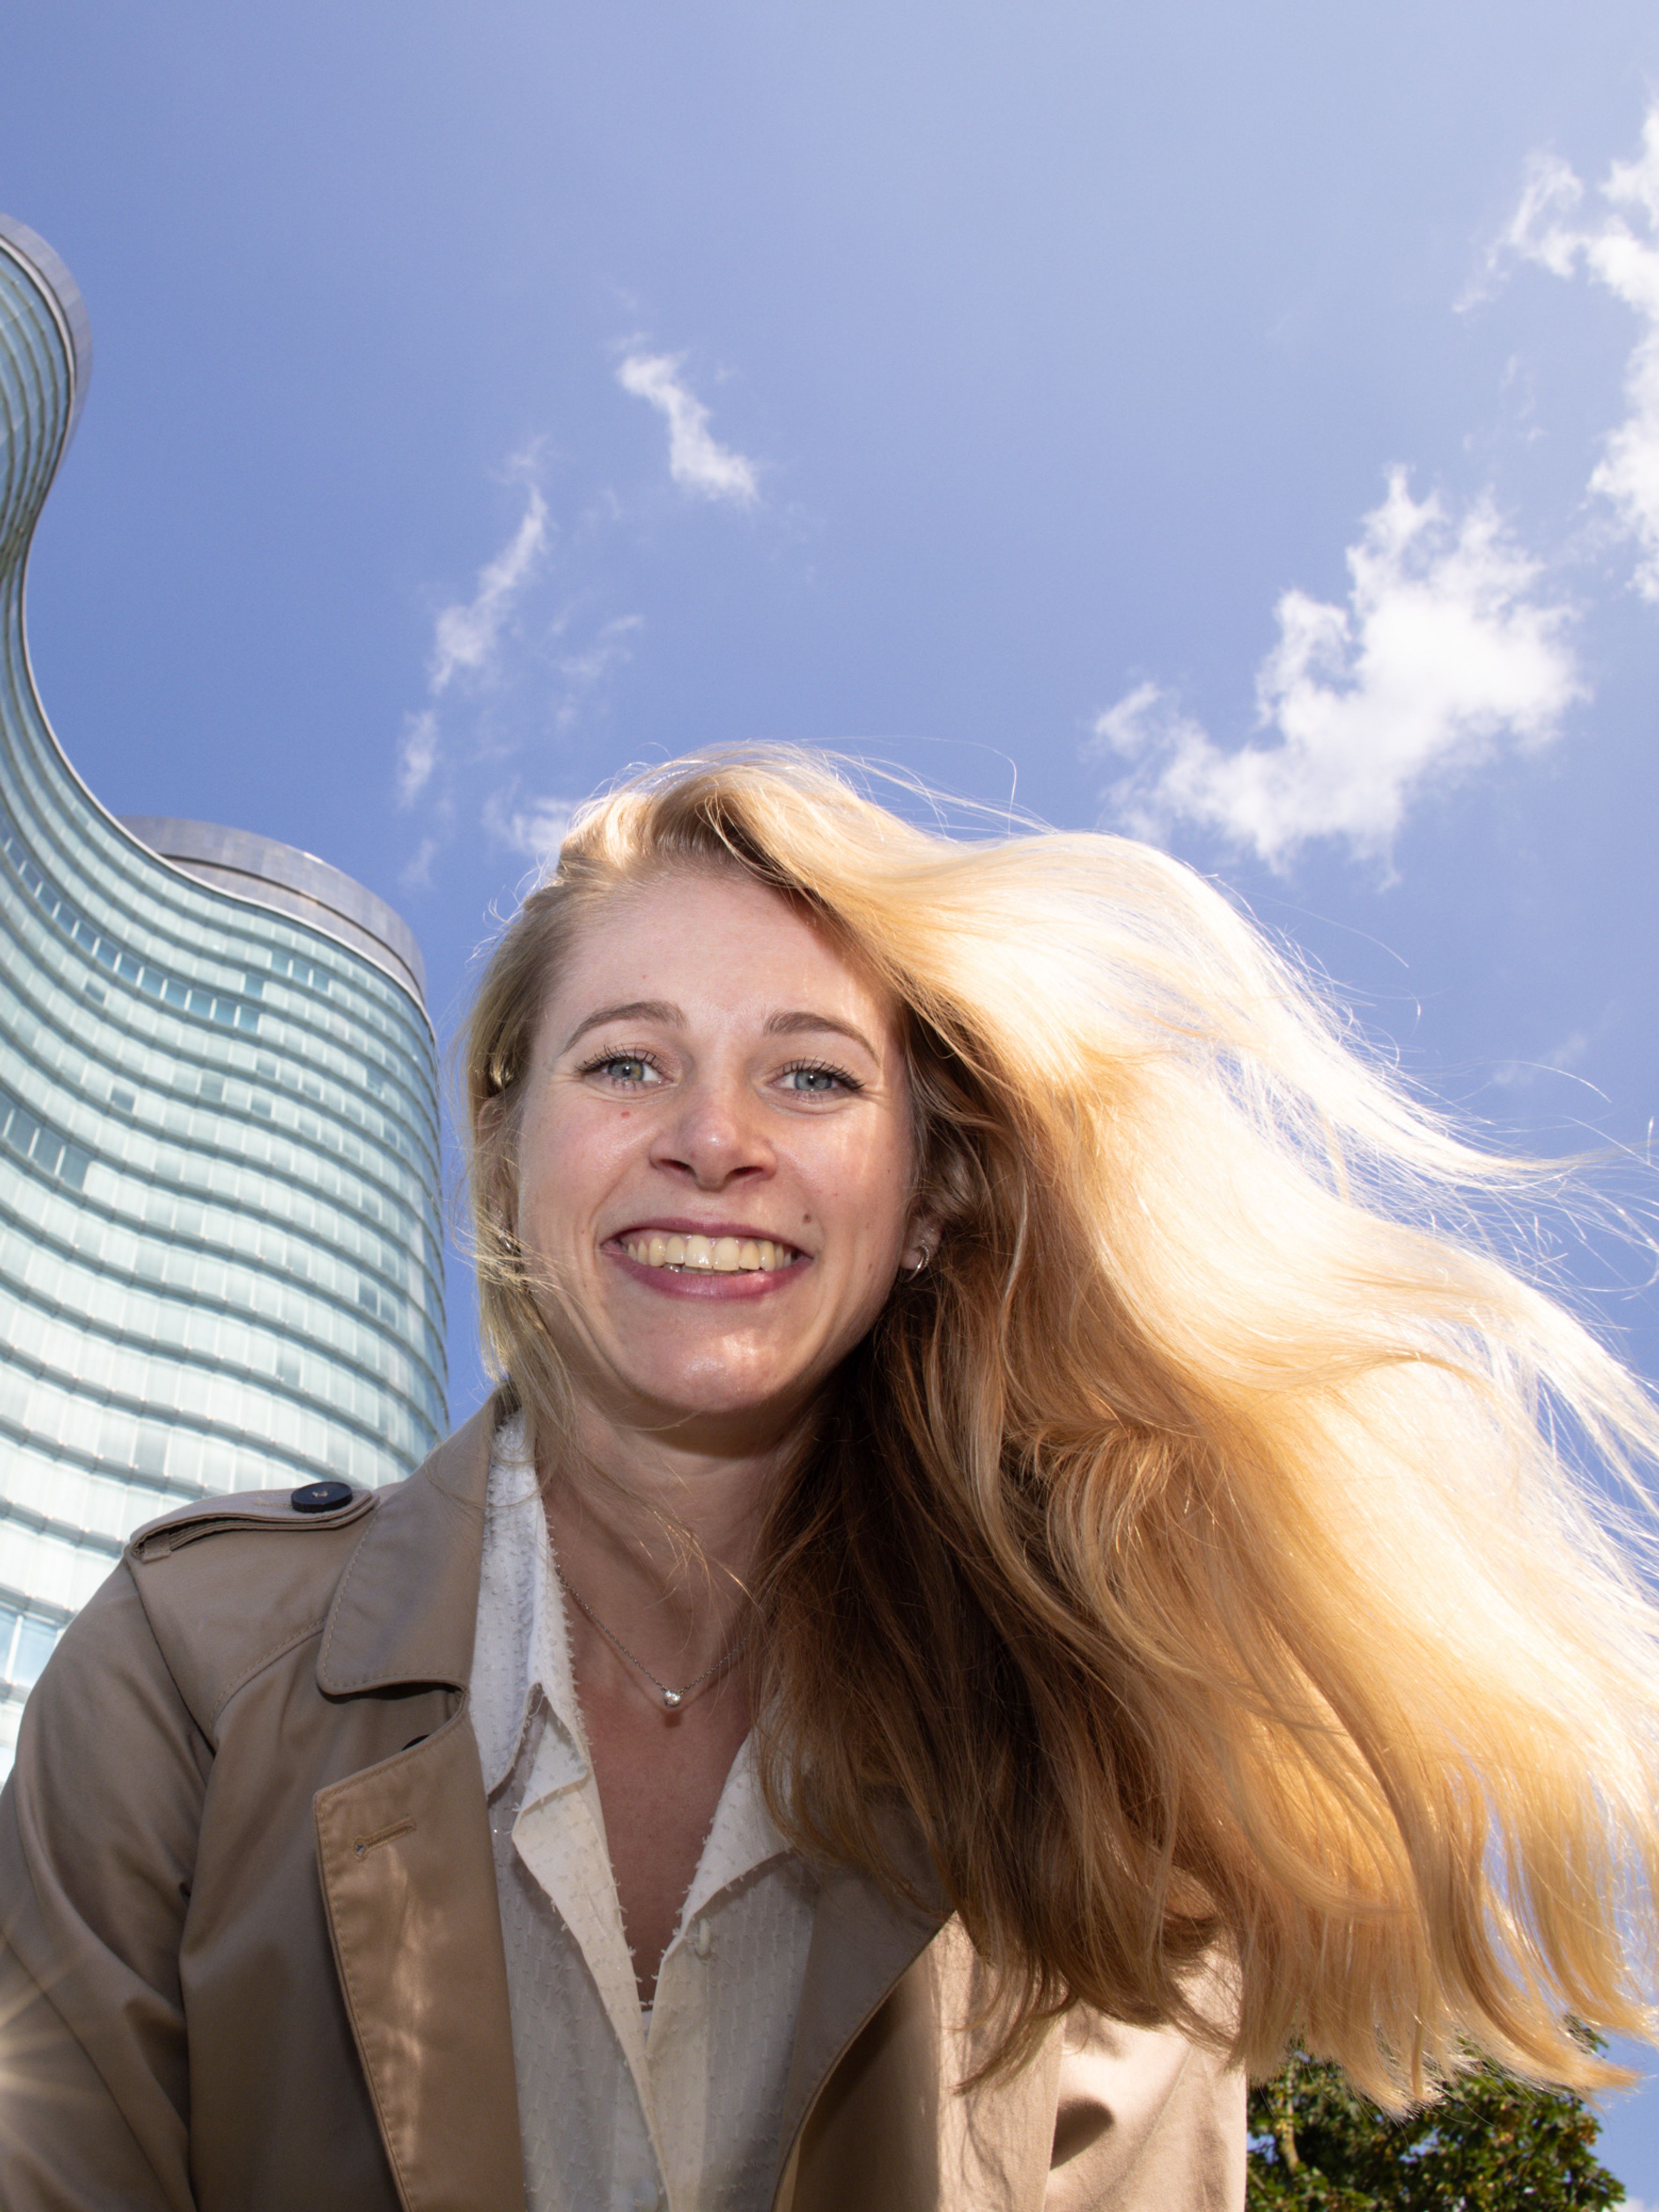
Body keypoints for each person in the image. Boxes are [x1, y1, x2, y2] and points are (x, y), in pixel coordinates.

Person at [3, 748, 1659, 2212]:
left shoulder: (1105, 1801)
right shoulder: (189, 1663)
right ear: (506, 1151)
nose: (715, 1136)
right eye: (627, 1062)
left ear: (927, 1195)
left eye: (812, 1073)